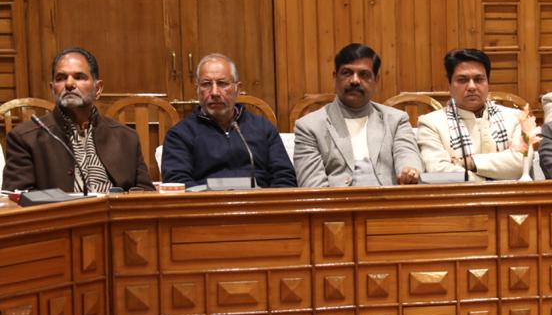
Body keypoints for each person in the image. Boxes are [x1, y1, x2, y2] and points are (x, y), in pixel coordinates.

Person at [3, 47, 153, 192]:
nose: (69, 84)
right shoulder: (25, 138)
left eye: (79, 77)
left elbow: (145, 195)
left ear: (98, 88)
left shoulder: (126, 138)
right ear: (52, 88)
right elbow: (17, 200)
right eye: (61, 78)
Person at [293, 44, 421, 187]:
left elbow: (407, 155)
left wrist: (408, 171)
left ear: (376, 80)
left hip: (390, 203)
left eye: (364, 74)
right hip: (337, 205)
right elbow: (312, 186)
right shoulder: (309, 126)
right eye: (347, 73)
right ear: (335, 77)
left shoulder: (396, 120)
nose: (355, 80)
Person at [161, 54, 296, 189]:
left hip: (259, 205)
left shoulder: (262, 127)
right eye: (206, 84)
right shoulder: (180, 134)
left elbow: (284, 177)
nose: (214, 92)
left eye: (222, 83)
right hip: (205, 207)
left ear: (238, 89)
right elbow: (177, 183)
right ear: (197, 90)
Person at [417, 48, 525, 182]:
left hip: (509, 199)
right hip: (458, 200)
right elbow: (438, 171)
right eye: (462, 80)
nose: (472, 87)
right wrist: (491, 180)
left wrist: (469, 163)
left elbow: (521, 164)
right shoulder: (431, 123)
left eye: (479, 79)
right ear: (449, 85)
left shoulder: (516, 118)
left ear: (488, 83)